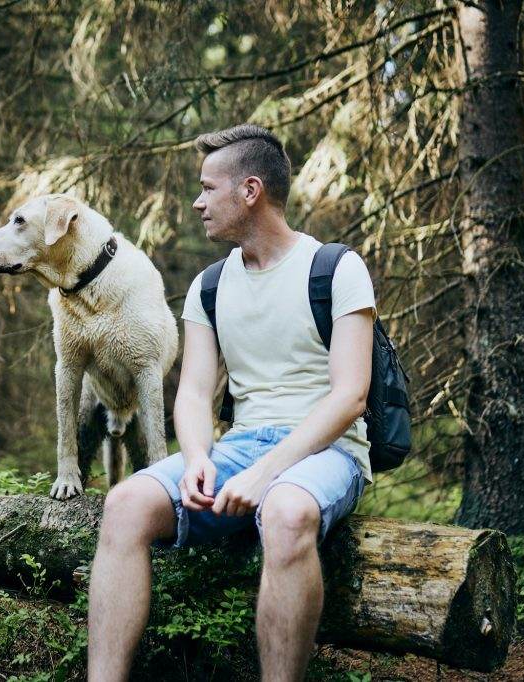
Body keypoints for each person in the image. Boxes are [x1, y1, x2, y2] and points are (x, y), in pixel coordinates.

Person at [86, 123, 377, 681]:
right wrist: (198, 456)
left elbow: (350, 396)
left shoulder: (337, 269)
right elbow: (194, 391)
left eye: (207, 188)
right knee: (124, 505)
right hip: (241, 449)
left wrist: (269, 473)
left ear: (250, 191)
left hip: (328, 451)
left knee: (287, 511)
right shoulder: (210, 286)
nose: (198, 203)